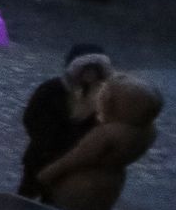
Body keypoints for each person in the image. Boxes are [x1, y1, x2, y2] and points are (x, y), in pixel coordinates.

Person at [36, 73, 162, 210]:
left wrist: (49, 173)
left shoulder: (106, 135)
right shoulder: (147, 130)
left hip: (83, 183)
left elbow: (77, 158)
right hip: (111, 181)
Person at [18, 44, 113, 197]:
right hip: (42, 157)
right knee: (27, 198)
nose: (91, 73)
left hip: (75, 162)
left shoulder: (102, 97)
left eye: (95, 69)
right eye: (86, 68)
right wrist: (48, 140)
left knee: (64, 203)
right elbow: (31, 117)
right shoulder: (52, 88)